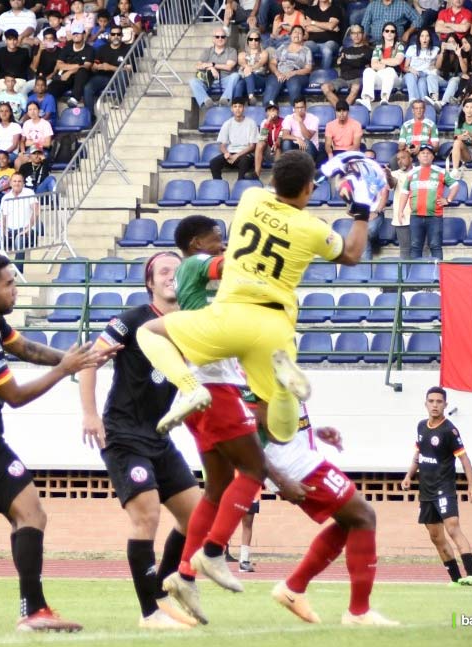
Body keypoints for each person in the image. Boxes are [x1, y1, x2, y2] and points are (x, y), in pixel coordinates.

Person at [135, 152, 366, 446]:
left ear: (273, 180)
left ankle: (190, 388)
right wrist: (362, 210)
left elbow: (280, 190)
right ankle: (283, 391)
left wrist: (313, 176)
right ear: (308, 188)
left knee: (148, 331)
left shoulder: (251, 198)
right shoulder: (313, 228)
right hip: (274, 327)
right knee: (280, 433)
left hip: (230, 316)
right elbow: (352, 254)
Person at [0, 253, 112, 632]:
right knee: (31, 514)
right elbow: (15, 396)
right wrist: (66, 369)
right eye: (9, 284)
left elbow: (26, 349)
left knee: (27, 515)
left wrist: (75, 359)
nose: (16, 290)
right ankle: (33, 611)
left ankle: (34, 609)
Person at [148, 216, 302, 626]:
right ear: (198, 242)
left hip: (202, 388)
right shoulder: (197, 264)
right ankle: (213, 552)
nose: (223, 246)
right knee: (253, 469)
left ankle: (184, 575)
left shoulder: (196, 286)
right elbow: (231, 267)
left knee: (216, 489)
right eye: (218, 240)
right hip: (214, 386)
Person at [77, 252, 203, 630]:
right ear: (150, 283)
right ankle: (151, 612)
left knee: (197, 517)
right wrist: (89, 414)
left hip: (159, 437)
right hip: (123, 435)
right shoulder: (130, 320)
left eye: (177, 270)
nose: (172, 276)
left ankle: (163, 588)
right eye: (164, 271)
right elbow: (89, 360)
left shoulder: (190, 324)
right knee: (147, 514)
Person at [260, 405, 399, 625]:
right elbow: (248, 433)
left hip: (300, 459)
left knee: (351, 522)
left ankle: (294, 588)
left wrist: (311, 431)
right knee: (363, 517)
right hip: (295, 466)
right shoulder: (256, 375)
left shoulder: (275, 373)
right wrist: (281, 480)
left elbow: (277, 421)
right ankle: (359, 612)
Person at [400, 387, 472, 587]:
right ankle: (456, 580)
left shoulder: (449, 430)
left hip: (444, 488)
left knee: (452, 528)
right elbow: (418, 455)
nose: (435, 405)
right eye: (431, 401)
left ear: (445, 404)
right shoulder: (421, 426)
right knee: (436, 537)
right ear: (426, 403)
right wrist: (409, 476)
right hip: (425, 491)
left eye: (439, 401)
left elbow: (464, 458)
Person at [394, 144, 459, 260]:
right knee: (415, 246)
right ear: (418, 157)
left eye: (428, 153)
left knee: (435, 246)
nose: (425, 155)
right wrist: (400, 211)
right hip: (415, 216)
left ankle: (438, 276)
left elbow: (455, 185)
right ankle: (416, 275)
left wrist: (448, 199)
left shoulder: (441, 172)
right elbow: (404, 192)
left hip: (435, 216)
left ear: (433, 157)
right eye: (422, 153)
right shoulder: (411, 173)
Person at [209, 97, 258, 181]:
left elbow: (252, 146)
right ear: (232, 109)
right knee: (214, 163)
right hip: (231, 154)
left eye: (240, 106)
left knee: (244, 162)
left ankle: (239, 186)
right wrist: (226, 153)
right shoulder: (227, 123)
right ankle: (219, 186)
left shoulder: (251, 123)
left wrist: (237, 155)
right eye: (235, 106)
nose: (237, 109)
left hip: (244, 155)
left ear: (243, 108)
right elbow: (222, 145)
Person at [358, 23, 405, 111]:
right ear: (383, 33)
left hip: (395, 80)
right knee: (368, 70)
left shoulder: (399, 46)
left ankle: (384, 98)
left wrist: (382, 61)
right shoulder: (378, 47)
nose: (389, 33)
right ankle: (366, 100)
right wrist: (388, 63)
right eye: (387, 31)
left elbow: (397, 61)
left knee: (389, 70)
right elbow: (373, 64)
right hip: (381, 77)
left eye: (392, 31)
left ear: (395, 34)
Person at [320, 25, 368, 109]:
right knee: (325, 87)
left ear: (363, 34)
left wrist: (346, 60)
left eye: (359, 33)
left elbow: (360, 63)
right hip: (343, 79)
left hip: (358, 78)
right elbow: (341, 63)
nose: (356, 35)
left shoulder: (369, 50)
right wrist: (356, 60)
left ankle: (342, 111)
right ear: (350, 35)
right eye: (353, 33)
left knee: (355, 87)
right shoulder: (344, 50)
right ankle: (341, 110)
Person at [188, 27, 237, 109]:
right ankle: (206, 101)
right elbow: (198, 65)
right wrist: (210, 68)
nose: (220, 39)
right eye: (217, 37)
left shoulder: (231, 51)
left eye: (223, 37)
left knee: (236, 76)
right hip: (209, 81)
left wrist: (212, 65)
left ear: (226, 39)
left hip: (225, 80)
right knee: (192, 81)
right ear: (213, 39)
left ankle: (225, 99)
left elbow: (228, 67)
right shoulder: (208, 51)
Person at [262, 26, 310, 107]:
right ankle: (268, 111)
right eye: (295, 32)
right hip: (280, 72)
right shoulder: (282, 47)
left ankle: (295, 112)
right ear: (290, 35)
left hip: (297, 74)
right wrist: (277, 73)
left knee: (294, 84)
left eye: (300, 33)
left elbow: (308, 69)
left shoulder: (306, 50)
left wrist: (293, 73)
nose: (297, 34)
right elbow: (272, 63)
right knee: (272, 84)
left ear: (303, 37)